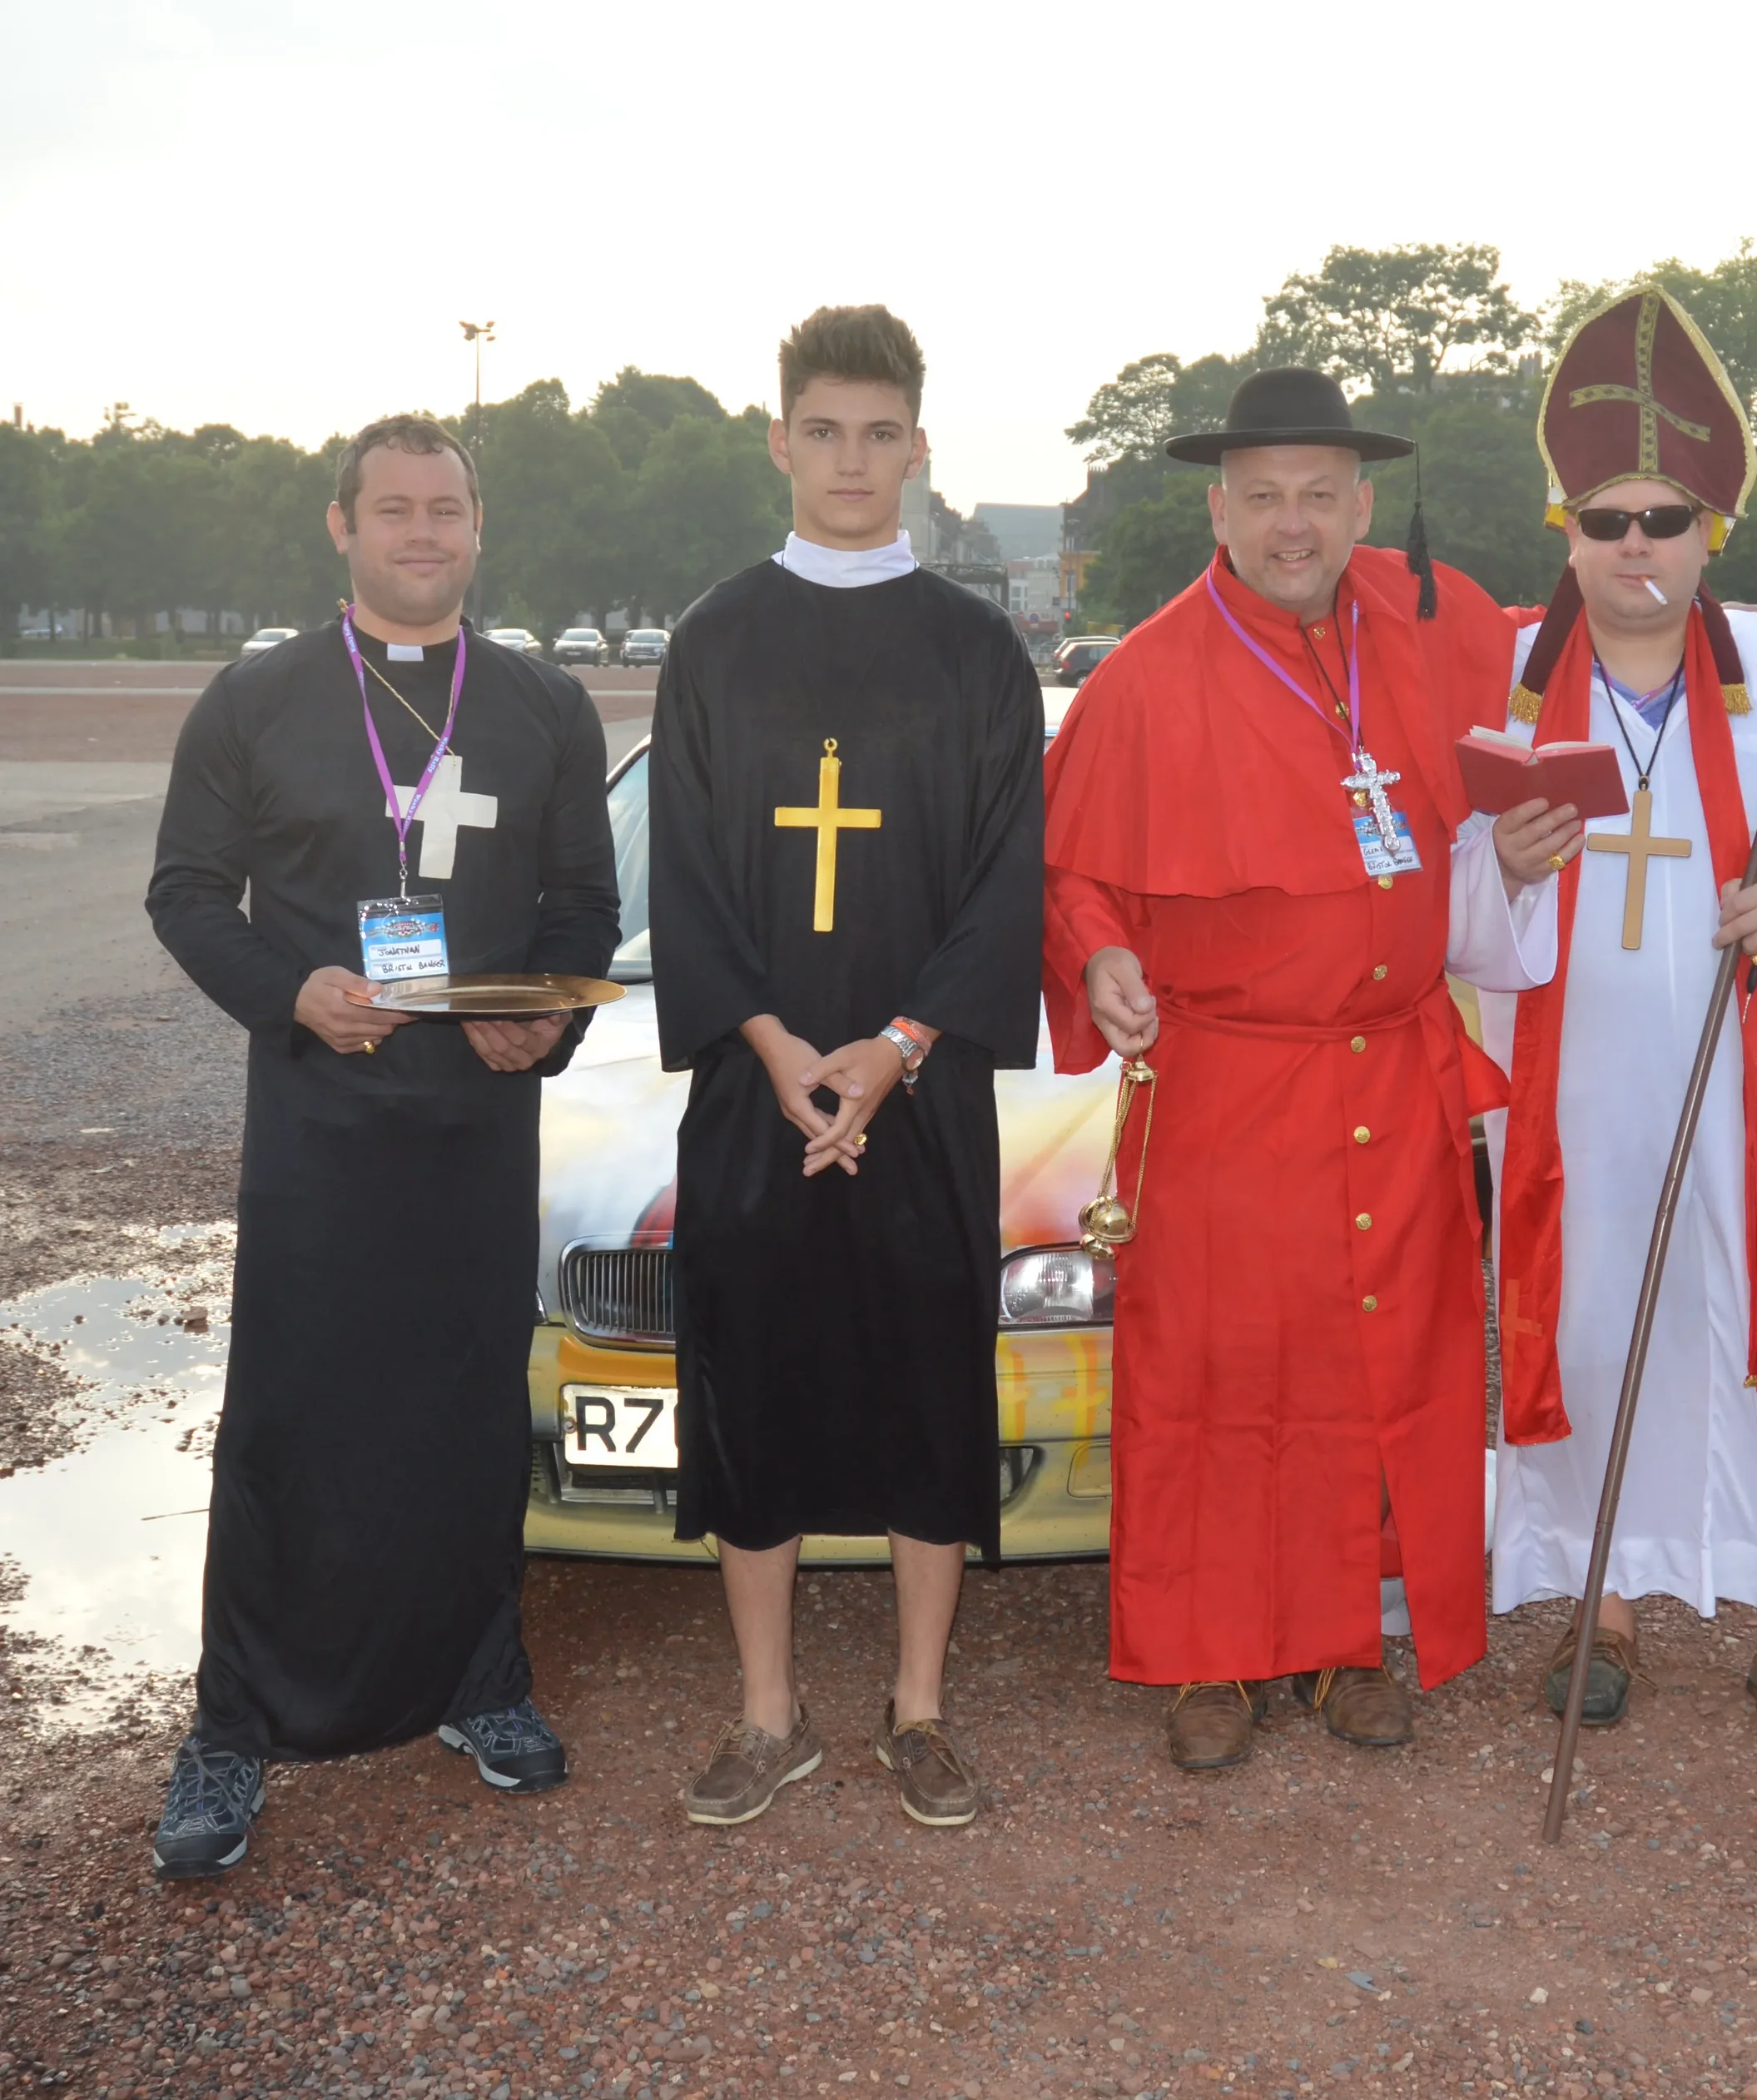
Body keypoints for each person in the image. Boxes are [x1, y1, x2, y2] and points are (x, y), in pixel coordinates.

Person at [1042, 367, 1580, 1770]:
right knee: (1216, 1372)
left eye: (1320, 496)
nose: (1294, 523)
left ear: (1358, 507)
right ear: (1218, 508)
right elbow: (1073, 869)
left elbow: (1471, 833)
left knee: (1368, 1363)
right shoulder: (1146, 675)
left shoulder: (1422, 639)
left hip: (1394, 1078)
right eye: (1265, 496)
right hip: (1226, 1083)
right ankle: (1211, 1656)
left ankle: (1347, 1640)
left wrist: (1509, 854)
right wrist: (1100, 956)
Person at [144, 415, 619, 1877]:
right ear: (341, 527)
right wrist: (290, 994)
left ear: (480, 530)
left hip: (478, 1122)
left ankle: (480, 1684)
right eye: (396, 509)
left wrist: (547, 1022)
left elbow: (580, 915)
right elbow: (186, 896)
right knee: (291, 1413)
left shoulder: (545, 706)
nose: (425, 532)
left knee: (469, 1402)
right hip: (318, 1123)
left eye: (449, 510)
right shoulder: (260, 698)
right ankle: (235, 1725)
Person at [1483, 286, 1757, 1740]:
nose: (1634, 545)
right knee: (1595, 1325)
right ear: (1567, 530)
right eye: (1606, 519)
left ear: (1708, 534)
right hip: (1573, 1089)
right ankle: (1596, 1605)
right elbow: (1431, 879)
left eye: (1663, 519)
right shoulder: (1507, 684)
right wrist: (1498, 868)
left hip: (1746, 1085)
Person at [650, 305, 1043, 1829]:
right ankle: (767, 1714)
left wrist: (895, 1045)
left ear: (920, 449)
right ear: (782, 441)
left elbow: (1007, 874)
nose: (853, 460)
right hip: (759, 1091)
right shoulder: (714, 640)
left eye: (882, 434)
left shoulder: (972, 649)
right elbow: (685, 873)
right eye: (825, 430)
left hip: (923, 1096)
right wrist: (771, 1041)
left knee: (930, 1385)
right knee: (748, 1384)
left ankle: (919, 1708)